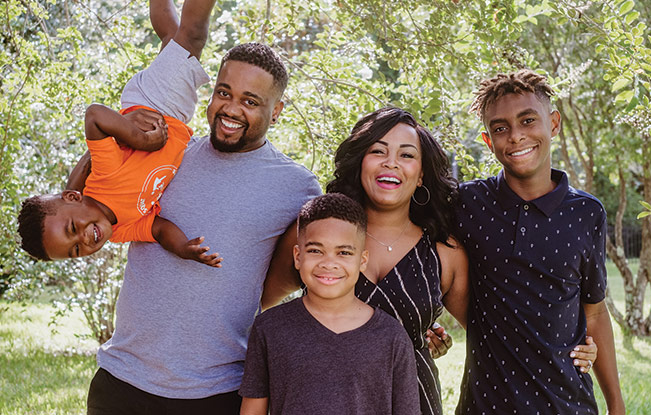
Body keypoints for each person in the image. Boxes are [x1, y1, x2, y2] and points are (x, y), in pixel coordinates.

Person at [84, 2, 321, 414]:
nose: (231, 109)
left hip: (216, 393)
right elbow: (94, 188)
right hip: (122, 381)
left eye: (250, 101)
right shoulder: (167, 157)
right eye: (223, 93)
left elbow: (326, 266)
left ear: (277, 111)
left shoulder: (297, 187)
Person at [327, 106, 599, 415]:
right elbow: (265, 300)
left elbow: (495, 331)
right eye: (377, 151)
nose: (391, 163)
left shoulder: (443, 251)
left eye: (406, 155)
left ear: (421, 175)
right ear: (360, 161)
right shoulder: (319, 233)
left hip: (412, 400)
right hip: (325, 395)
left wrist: (574, 348)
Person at [454, 69, 625, 414]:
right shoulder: (465, 204)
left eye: (528, 120)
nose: (516, 136)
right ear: (489, 141)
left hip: (568, 403)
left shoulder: (587, 213)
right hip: (485, 406)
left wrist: (616, 407)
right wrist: (423, 324)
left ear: (554, 124)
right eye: (500, 128)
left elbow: (594, 313)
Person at [16, 0, 221, 267]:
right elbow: (157, 229)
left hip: (158, 105)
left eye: (71, 228)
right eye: (75, 249)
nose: (84, 238)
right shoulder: (120, 231)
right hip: (169, 111)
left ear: (73, 198)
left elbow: (95, 116)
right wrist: (183, 248)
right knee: (173, 37)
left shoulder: (103, 179)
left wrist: (143, 140)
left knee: (191, 38)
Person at [239, 193, 420, 414]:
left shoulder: (391, 337)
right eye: (316, 251)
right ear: (298, 256)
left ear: (362, 261)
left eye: (343, 252)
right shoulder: (269, 328)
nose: (329, 263)